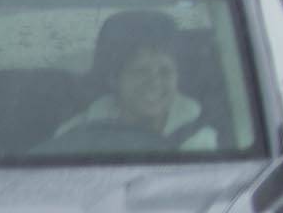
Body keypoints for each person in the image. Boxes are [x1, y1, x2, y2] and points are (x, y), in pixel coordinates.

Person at [52, 10, 217, 151]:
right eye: (141, 71)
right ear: (113, 79)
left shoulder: (202, 140)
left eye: (165, 72)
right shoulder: (75, 137)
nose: (155, 82)